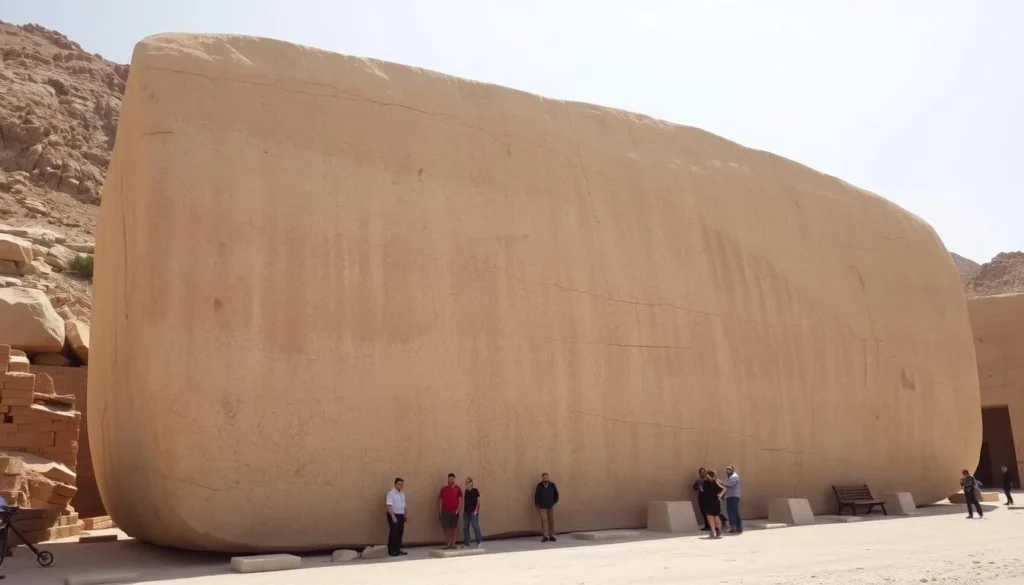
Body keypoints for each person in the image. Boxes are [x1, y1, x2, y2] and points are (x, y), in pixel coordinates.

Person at [438, 473, 463, 549]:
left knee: (454, 527)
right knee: (447, 527)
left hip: (454, 511)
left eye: (452, 478)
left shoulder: (457, 488)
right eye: (450, 479)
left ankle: (453, 543)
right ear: (448, 480)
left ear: (454, 479)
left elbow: (460, 500)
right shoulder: (444, 489)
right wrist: (440, 511)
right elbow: (440, 500)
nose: (451, 480)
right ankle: (449, 542)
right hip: (445, 511)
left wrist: (458, 510)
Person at [385, 477, 409, 557]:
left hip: (401, 515)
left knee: (400, 532)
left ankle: (398, 549)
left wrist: (405, 514)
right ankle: (391, 550)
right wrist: (393, 516)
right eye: (399, 484)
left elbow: (404, 505)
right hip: (393, 514)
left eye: (402, 485)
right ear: (395, 484)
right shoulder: (391, 493)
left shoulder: (402, 493)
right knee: (394, 533)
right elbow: (389, 505)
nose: (400, 486)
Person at [700, 470, 726, 538]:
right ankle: (715, 531)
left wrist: (719, 495)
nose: (706, 475)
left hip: (712, 501)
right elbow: (724, 489)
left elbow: (724, 489)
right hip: (711, 501)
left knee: (713, 517)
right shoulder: (709, 481)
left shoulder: (711, 482)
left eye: (707, 474)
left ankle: (716, 531)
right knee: (712, 517)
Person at [534, 472, 560, 542]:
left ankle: (552, 535)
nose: (545, 479)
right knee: (544, 521)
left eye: (546, 477)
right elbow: (536, 496)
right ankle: (545, 536)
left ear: (548, 478)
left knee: (551, 520)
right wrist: (537, 504)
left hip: (551, 506)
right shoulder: (539, 486)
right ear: (542, 478)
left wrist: (554, 503)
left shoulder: (552, 485)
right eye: (543, 477)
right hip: (542, 506)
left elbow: (556, 494)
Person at [462, 476, 483, 547]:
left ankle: (479, 541)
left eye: (468, 482)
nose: (467, 484)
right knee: (465, 527)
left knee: (475, 526)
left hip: (473, 511)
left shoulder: (475, 490)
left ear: (471, 483)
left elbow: (479, 500)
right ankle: (466, 542)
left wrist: (476, 510)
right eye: (466, 482)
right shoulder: (466, 491)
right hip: (466, 512)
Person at [723, 465, 742, 534]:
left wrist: (720, 483)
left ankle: (733, 528)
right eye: (727, 469)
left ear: (732, 470)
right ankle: (739, 527)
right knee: (735, 512)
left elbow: (729, 485)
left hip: (733, 497)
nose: (727, 471)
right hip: (731, 496)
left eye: (729, 469)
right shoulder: (730, 477)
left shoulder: (734, 477)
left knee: (732, 512)